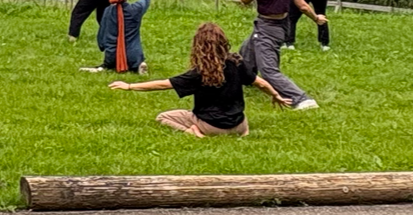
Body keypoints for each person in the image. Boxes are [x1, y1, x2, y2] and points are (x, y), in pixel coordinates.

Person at [110, 21, 289, 136]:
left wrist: (130, 86)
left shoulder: (199, 73)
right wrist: (276, 95)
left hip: (211, 126)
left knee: (163, 117)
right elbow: (260, 83)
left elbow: (164, 84)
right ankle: (242, 132)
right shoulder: (236, 63)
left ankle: (193, 132)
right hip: (239, 125)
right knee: (237, 117)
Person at [230, 0, 321, 110]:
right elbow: (302, 5)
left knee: (268, 70)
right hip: (282, 26)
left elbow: (245, 0)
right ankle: (243, 79)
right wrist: (316, 19)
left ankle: (302, 99)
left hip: (267, 27)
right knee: (246, 51)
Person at [83, 0, 154, 74]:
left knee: (108, 66)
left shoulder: (107, 11)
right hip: (133, 55)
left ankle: (103, 68)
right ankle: (138, 65)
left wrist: (102, 46)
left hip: (112, 55)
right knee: (135, 58)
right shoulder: (136, 9)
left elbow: (102, 31)